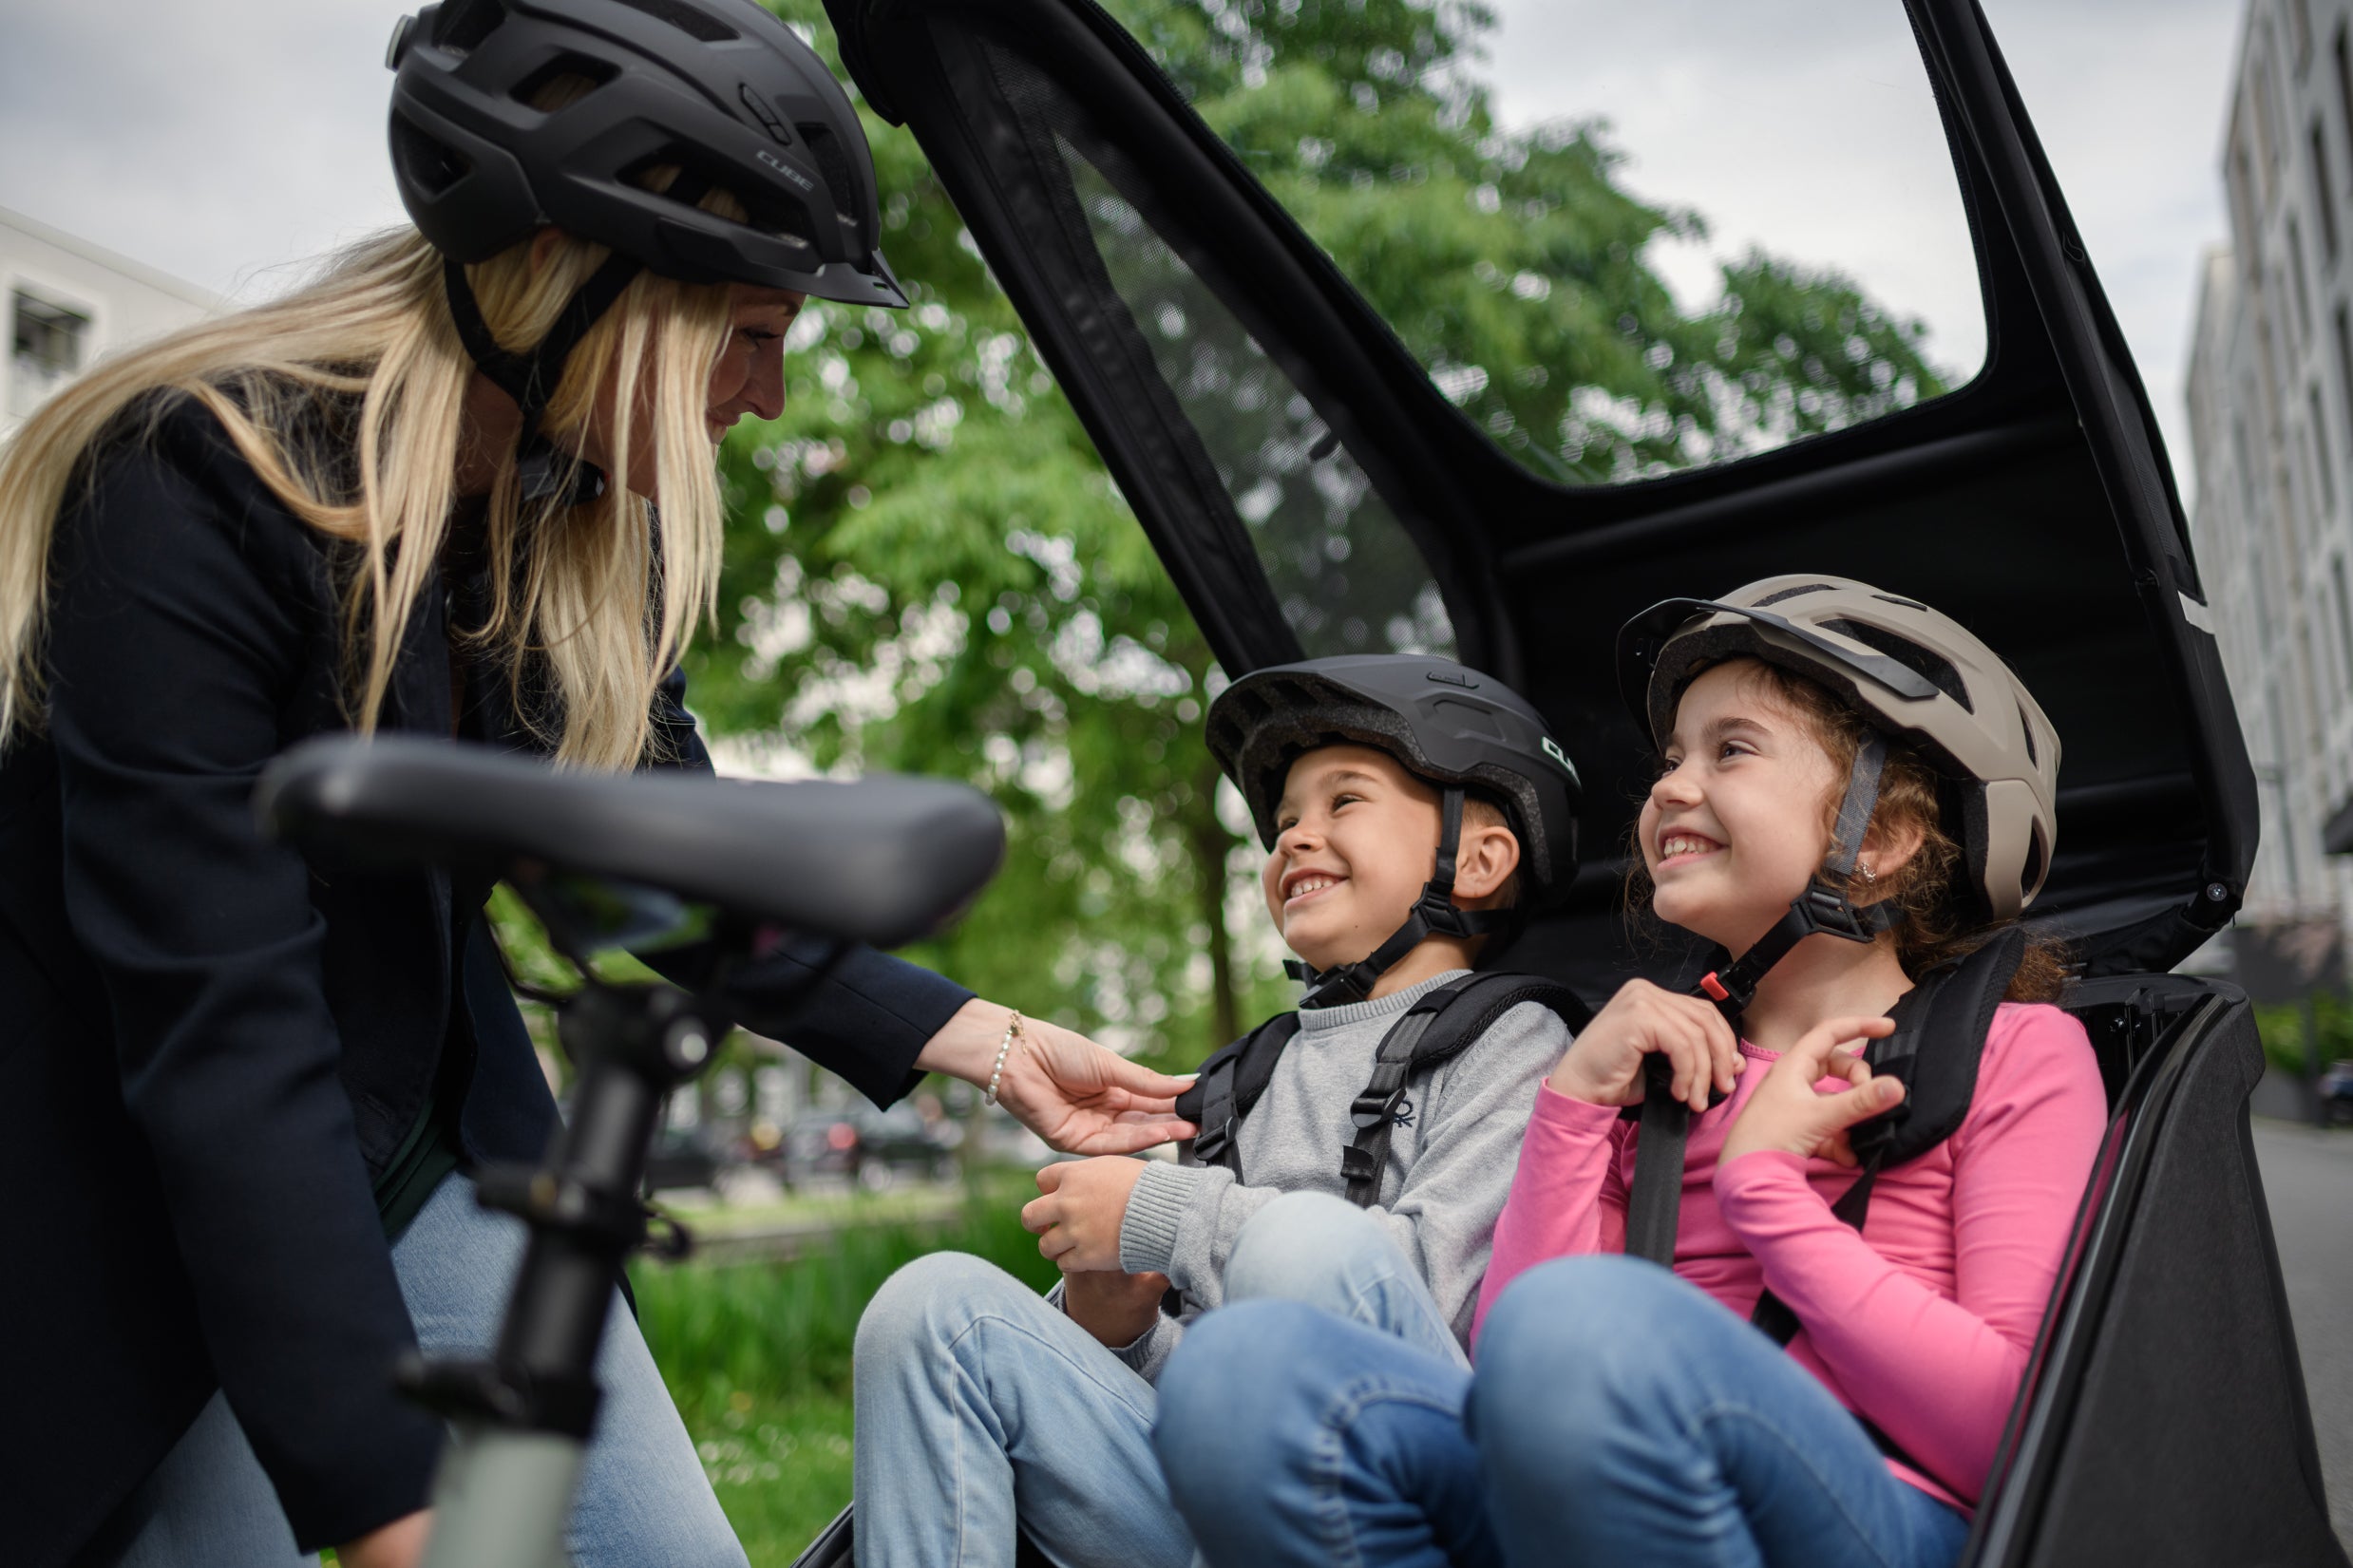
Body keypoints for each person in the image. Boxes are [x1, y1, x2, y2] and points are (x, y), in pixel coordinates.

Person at [0, 4, 1190, 1566]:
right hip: (135, 1186)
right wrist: (394, 1514)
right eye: (748, 336)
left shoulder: (564, 524)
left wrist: (992, 1042)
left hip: (429, 1141)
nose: (766, 399)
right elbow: (229, 1052)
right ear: (592, 287)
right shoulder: (186, 495)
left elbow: (660, 874)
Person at [1151, 577, 2109, 1568]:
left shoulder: (2012, 1052)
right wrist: (1569, 1106)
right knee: (1240, 1371)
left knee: (1575, 1329)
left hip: (1870, 1510)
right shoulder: (1644, 1070)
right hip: (1596, 1491)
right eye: (1669, 758)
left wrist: (1763, 1188)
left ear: (1878, 836)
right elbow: (1504, 1384)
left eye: (1729, 749)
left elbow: (2010, 1429)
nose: (1668, 786)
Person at [848, 653, 1585, 1568]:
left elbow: (1422, 1300)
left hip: (1401, 1492)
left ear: (1477, 857)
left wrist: (1162, 1213)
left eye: (1342, 802)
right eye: (1283, 822)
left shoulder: (1515, 1042)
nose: (1293, 839)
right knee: (929, 1309)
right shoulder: (1252, 1071)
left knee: (1297, 1248)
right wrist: (1119, 1325)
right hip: (1209, 1499)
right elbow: (1191, 1377)